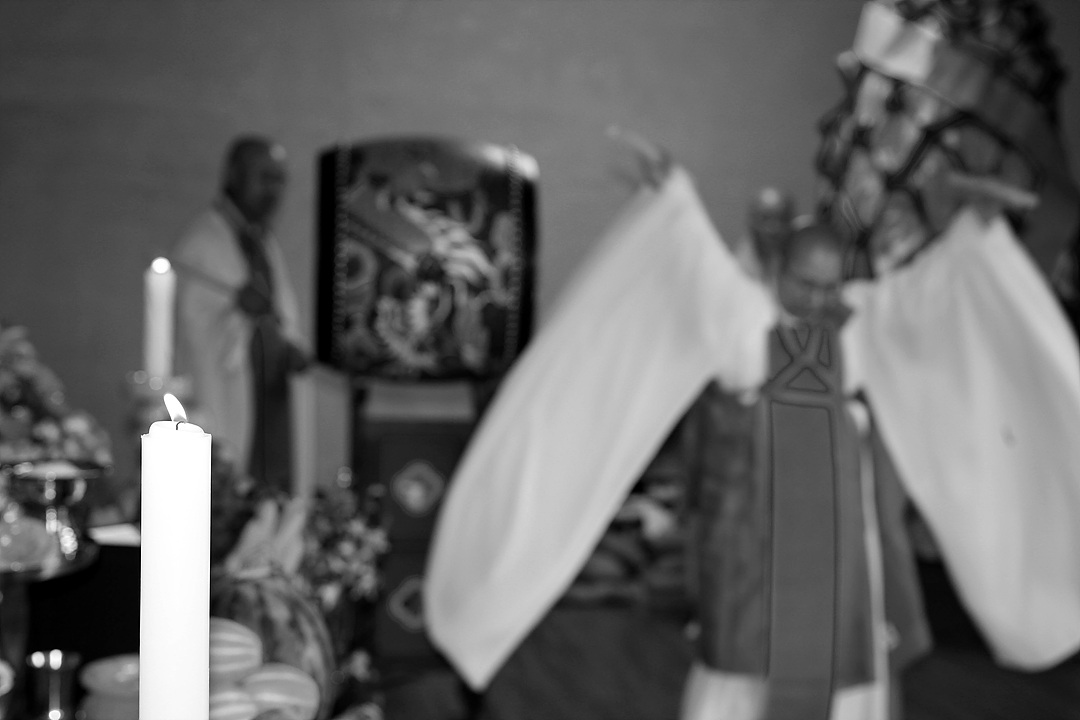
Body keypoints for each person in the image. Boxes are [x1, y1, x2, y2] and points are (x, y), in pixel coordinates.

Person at [679, 221, 929, 720]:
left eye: (828, 287)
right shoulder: (743, 322)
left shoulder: (854, 328)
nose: (817, 299)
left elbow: (926, 297)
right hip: (752, 529)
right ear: (777, 269)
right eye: (804, 284)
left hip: (838, 533)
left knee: (838, 647)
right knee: (746, 656)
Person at [173, 135, 310, 495]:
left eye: (280, 180)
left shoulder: (262, 241)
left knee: (272, 490)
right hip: (229, 390)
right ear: (234, 174)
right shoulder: (203, 243)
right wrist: (233, 311)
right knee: (230, 486)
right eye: (265, 178)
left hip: (270, 394)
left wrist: (290, 346)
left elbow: (281, 315)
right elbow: (190, 326)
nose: (274, 190)